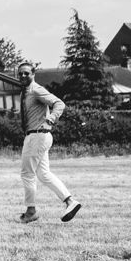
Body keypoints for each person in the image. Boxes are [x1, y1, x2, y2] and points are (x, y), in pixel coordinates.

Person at [16, 62, 82, 223]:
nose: (23, 76)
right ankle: (70, 202)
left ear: (33, 74)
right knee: (43, 174)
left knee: (27, 174)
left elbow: (59, 103)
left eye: (26, 73)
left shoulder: (36, 90)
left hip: (37, 135)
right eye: (20, 74)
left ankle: (31, 211)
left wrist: (51, 120)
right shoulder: (25, 92)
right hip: (38, 136)